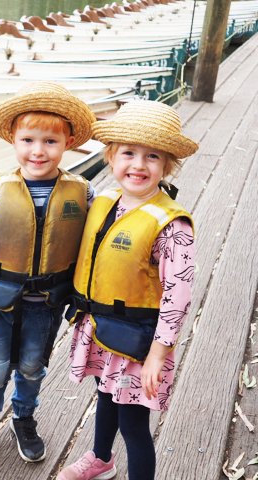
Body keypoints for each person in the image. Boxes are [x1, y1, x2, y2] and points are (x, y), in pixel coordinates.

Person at [0, 81, 97, 464]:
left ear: (68, 143)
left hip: (47, 303)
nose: (38, 151)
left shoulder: (82, 193)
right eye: (28, 140)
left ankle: (24, 417)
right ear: (13, 142)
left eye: (50, 142)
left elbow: (95, 244)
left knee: (33, 366)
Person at [57, 100, 198, 480]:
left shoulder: (172, 226)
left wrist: (157, 354)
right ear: (110, 156)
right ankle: (101, 459)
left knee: (134, 424)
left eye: (152, 156)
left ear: (167, 165)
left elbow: (178, 296)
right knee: (105, 395)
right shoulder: (103, 200)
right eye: (128, 153)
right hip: (101, 328)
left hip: (140, 343)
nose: (138, 165)